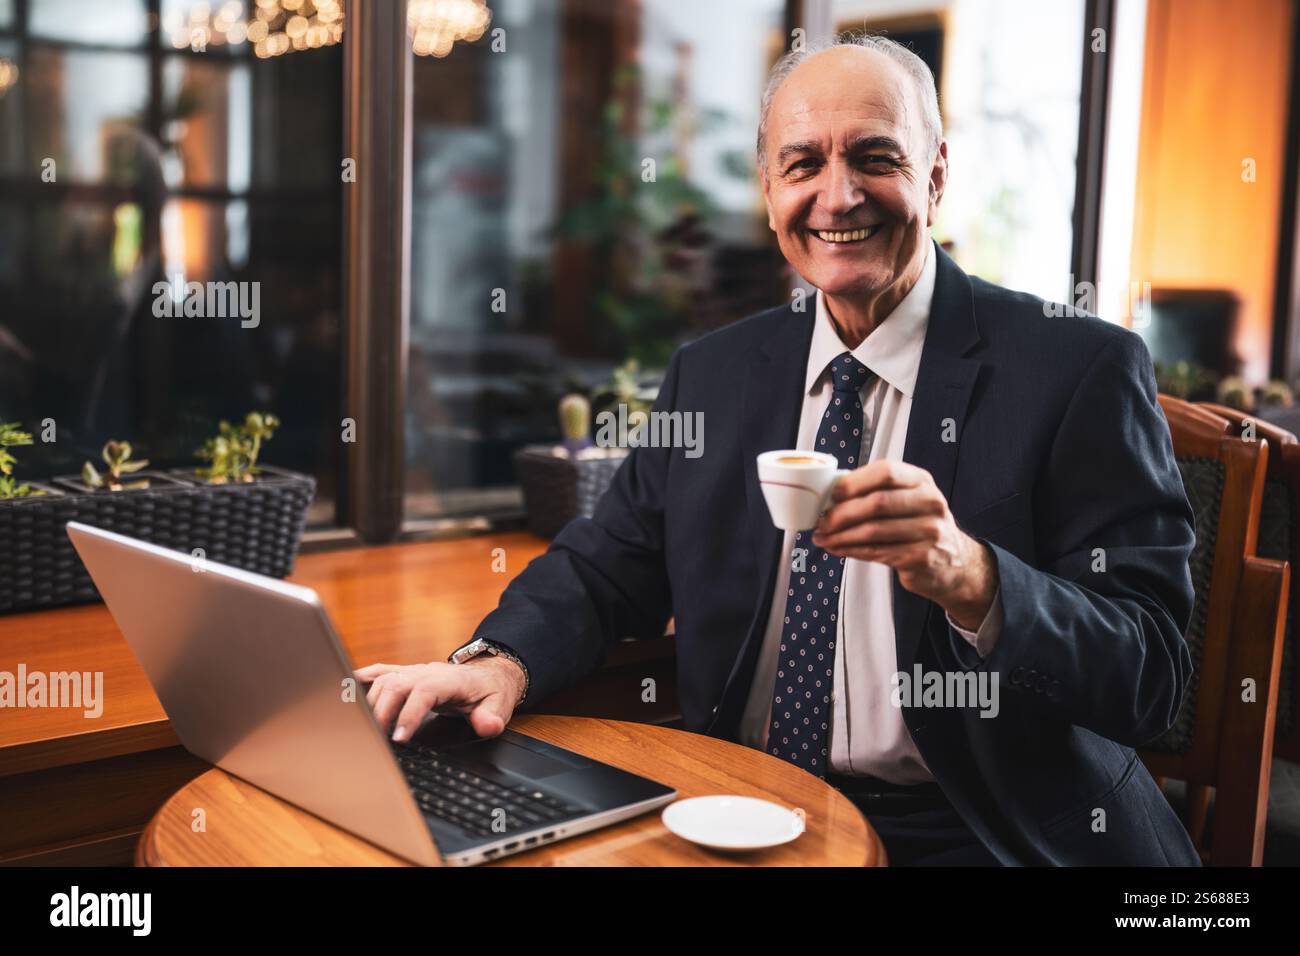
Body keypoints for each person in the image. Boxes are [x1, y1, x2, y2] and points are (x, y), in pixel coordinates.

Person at [357, 35, 1200, 866]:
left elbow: (1154, 675)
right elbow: (606, 566)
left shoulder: (1077, 366)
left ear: (936, 176)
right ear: (769, 192)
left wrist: (975, 579)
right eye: (802, 165)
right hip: (742, 809)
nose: (838, 197)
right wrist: (498, 663)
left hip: (978, 826)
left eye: (876, 158)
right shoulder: (713, 373)